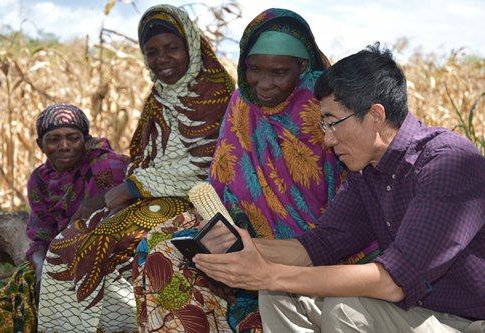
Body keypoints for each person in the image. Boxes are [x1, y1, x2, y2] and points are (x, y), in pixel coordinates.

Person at [193, 44, 485, 333]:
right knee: (279, 295)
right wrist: (245, 245)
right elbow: (319, 247)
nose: (328, 140)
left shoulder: (448, 164)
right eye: (323, 126)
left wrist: (269, 274)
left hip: (468, 321)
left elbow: (393, 281)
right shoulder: (367, 170)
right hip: (416, 313)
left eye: (333, 123)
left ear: (375, 116)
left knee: (345, 309)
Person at [133, 8, 378, 332]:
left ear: (302, 66)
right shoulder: (242, 102)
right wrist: (220, 236)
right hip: (241, 226)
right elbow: (223, 181)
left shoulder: (326, 108)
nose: (263, 84)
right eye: (253, 69)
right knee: (158, 246)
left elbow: (348, 204)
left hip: (314, 248)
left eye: (278, 72)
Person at [36, 4, 234, 333]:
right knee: (66, 244)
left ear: (191, 46)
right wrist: (127, 192)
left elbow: (206, 165)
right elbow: (145, 159)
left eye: (172, 48)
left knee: (116, 244)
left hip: (200, 200)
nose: (162, 59)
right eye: (152, 52)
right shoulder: (158, 97)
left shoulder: (216, 95)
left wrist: (128, 189)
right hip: (150, 196)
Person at [0, 103, 129, 332]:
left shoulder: (105, 165)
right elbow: (41, 236)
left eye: (73, 138)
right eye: (53, 139)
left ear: (85, 139)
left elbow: (117, 221)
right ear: (40, 145)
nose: (64, 146)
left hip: (108, 253)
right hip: (63, 251)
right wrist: (43, 269)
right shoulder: (40, 180)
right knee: (25, 282)